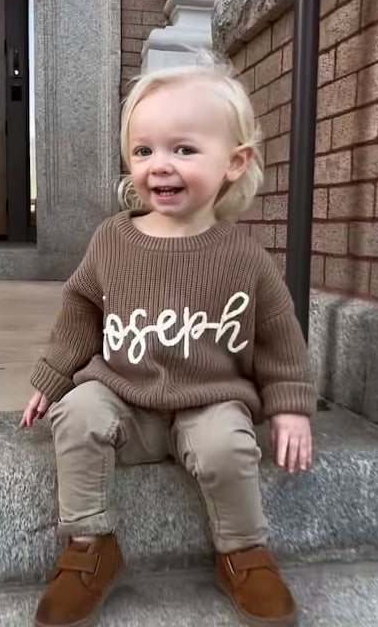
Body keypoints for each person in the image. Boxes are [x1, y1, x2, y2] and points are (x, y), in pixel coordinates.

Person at [20, 59, 316, 627]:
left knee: (228, 447)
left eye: (183, 150)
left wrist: (290, 408)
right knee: (78, 412)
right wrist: (53, 376)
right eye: (144, 151)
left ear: (235, 162)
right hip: (125, 398)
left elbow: (280, 337)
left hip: (210, 400)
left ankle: (244, 551)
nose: (160, 166)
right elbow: (80, 311)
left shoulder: (244, 256)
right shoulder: (113, 238)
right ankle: (90, 546)